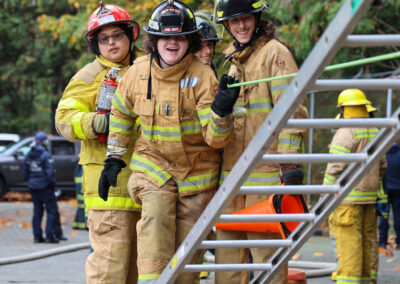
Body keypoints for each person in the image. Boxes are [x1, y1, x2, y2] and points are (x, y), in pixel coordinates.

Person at [99, 1, 237, 283]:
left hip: (196, 176)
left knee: (187, 256)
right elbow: (121, 114)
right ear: (154, 40)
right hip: (153, 169)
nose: (172, 43)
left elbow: (216, 140)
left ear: (190, 41)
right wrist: (113, 159)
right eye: (165, 37)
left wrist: (221, 113)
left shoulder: (202, 75)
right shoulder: (137, 74)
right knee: (155, 228)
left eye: (179, 37)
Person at [213, 0, 309, 283]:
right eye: (234, 21)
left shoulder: (274, 53)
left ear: (256, 18)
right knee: (227, 262)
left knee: (268, 261)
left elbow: (290, 109)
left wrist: (290, 162)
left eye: (246, 19)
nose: (241, 26)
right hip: (231, 179)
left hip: (264, 177)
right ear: (227, 26)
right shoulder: (232, 60)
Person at [55, 3, 141, 283]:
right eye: (104, 39)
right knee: (109, 270)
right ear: (96, 45)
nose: (112, 43)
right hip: (109, 191)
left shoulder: (149, 68)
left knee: (143, 272)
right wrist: (96, 123)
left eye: (117, 35)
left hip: (149, 186)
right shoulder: (89, 76)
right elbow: (64, 119)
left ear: (132, 35)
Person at [324, 89, 387, 284]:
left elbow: (334, 167)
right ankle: (368, 280)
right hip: (369, 199)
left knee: (350, 246)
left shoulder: (346, 131)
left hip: (347, 202)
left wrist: (324, 196)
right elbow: (383, 165)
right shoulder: (375, 131)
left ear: (343, 108)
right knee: (367, 243)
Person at [22, 132, 59, 244]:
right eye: (46, 141)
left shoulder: (29, 154)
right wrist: (51, 185)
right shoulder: (45, 155)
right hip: (45, 188)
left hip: (33, 187)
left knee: (37, 211)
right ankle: (49, 236)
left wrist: (31, 181)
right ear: (43, 142)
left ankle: (37, 237)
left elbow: (24, 172)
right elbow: (50, 173)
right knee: (51, 211)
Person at [379, 143, 400, 250]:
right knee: (398, 216)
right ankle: (399, 242)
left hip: (383, 192)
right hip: (398, 191)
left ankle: (382, 242)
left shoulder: (382, 155)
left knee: (383, 216)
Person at [72, 163, 86, 230]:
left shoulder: (79, 167)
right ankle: (83, 224)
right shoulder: (82, 167)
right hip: (82, 191)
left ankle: (79, 223)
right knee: (83, 206)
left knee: (81, 206)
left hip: (80, 191)